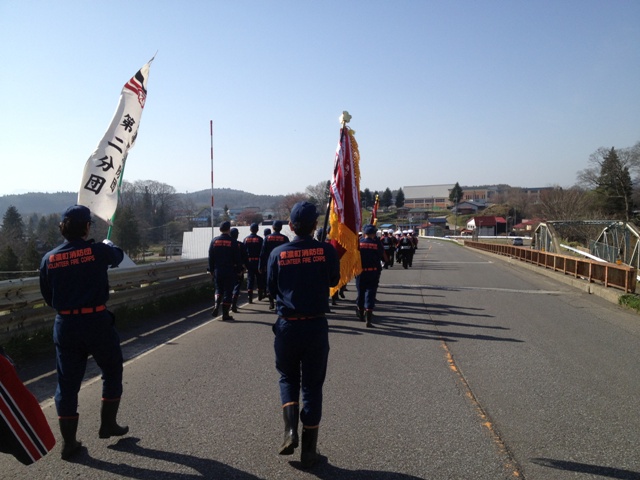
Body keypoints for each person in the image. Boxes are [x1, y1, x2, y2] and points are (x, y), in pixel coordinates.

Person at [38, 205, 128, 460]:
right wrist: (107, 243)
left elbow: (48, 296)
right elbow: (118, 256)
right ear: (87, 227)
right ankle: (108, 424)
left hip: (65, 325)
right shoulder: (97, 251)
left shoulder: (49, 258)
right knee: (111, 370)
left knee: (66, 384)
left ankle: (69, 443)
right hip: (96, 321)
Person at [267, 202, 340, 468]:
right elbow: (334, 281)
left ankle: (289, 432)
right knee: (312, 385)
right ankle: (309, 450)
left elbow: (271, 288)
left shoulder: (277, 253)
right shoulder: (326, 250)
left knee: (288, 377)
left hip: (287, 325)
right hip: (315, 326)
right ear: (315, 226)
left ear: (290, 226)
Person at [208, 221, 242, 320]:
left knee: (218, 289)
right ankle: (225, 314)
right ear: (229, 229)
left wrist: (211, 269)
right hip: (229, 270)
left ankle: (216, 305)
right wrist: (239, 270)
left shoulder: (214, 241)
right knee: (228, 292)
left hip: (218, 270)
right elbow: (237, 258)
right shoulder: (233, 242)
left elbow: (211, 256)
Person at [355, 225, 387, 327]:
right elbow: (384, 258)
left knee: (360, 293)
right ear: (373, 234)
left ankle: (360, 314)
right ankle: (368, 319)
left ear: (364, 233)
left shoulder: (358, 243)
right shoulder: (376, 244)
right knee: (370, 294)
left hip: (360, 272)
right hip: (373, 272)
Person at [260, 220, 289, 310]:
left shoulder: (267, 238)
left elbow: (263, 253)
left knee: (270, 282)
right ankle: (279, 302)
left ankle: (271, 302)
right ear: (281, 228)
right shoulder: (284, 238)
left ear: (273, 227)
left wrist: (261, 266)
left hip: (270, 264)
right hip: (281, 264)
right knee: (280, 283)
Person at [243, 223, 264, 303]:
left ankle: (249, 297)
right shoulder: (260, 239)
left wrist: (244, 263)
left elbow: (243, 252)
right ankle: (260, 295)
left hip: (249, 262)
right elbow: (262, 252)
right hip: (258, 262)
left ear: (250, 229)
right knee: (259, 279)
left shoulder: (246, 239)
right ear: (257, 230)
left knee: (250, 279)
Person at [229, 227, 246, 313]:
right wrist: (242, 269)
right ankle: (234, 304)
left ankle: (226, 304)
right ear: (237, 235)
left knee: (228, 287)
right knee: (237, 286)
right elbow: (244, 257)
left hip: (228, 269)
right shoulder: (240, 244)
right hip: (238, 268)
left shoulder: (227, 244)